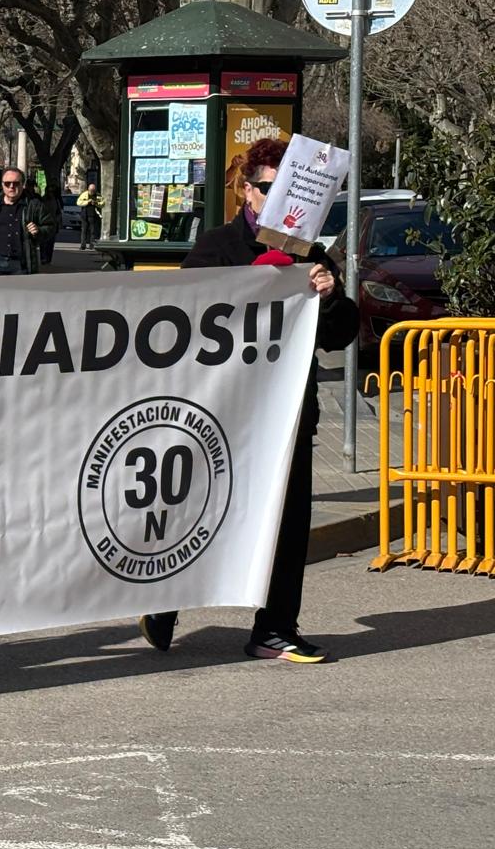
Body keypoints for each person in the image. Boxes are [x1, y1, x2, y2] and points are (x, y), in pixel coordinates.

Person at [140, 137, 359, 665]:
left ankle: (276, 629)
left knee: (288, 522)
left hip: (287, 416)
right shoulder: (217, 247)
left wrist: (329, 296)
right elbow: (179, 321)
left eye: (289, 191)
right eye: (268, 188)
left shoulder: (311, 254)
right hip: (221, 413)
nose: (278, 199)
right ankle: (164, 602)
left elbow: (341, 334)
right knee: (200, 510)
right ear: (247, 190)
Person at [0, 166, 51, 276]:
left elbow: (50, 226)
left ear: (22, 184)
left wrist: (38, 231)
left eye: (16, 183)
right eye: (7, 183)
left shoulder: (33, 205)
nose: (11, 187)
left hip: (21, 265)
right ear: (2, 184)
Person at [77, 182, 104, 249]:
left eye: (93, 190)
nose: (92, 192)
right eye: (91, 190)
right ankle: (83, 245)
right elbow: (78, 202)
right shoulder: (84, 194)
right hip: (85, 215)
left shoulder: (98, 195)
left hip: (93, 215)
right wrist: (87, 202)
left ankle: (92, 245)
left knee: (93, 231)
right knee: (84, 231)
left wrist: (96, 203)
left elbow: (102, 204)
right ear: (88, 189)